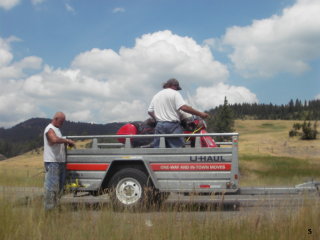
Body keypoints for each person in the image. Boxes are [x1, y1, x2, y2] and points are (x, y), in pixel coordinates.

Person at [148, 78, 209, 148]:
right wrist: (200, 114)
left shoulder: (157, 95)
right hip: (172, 125)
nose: (177, 90)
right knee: (178, 149)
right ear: (174, 86)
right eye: (177, 88)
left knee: (159, 149)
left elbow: (150, 111)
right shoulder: (175, 93)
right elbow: (183, 107)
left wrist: (158, 119)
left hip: (159, 126)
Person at [43, 112, 75, 210]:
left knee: (59, 187)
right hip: (52, 162)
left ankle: (55, 206)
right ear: (55, 119)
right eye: (61, 121)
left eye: (63, 121)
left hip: (60, 162)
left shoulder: (57, 129)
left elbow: (58, 141)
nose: (62, 123)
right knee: (51, 187)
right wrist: (67, 141)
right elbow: (53, 140)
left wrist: (65, 143)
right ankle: (49, 209)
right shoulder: (49, 129)